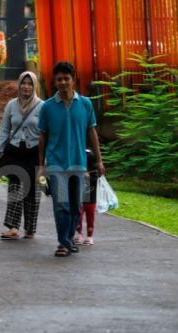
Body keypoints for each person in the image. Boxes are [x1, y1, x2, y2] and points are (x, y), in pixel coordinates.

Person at [38, 61, 106, 257]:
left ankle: (68, 239)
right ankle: (64, 243)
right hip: (56, 164)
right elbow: (42, 137)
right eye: (59, 79)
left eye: (66, 79)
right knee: (61, 205)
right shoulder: (48, 107)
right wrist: (41, 165)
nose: (62, 83)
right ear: (54, 82)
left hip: (79, 164)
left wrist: (99, 161)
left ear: (73, 79)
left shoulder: (85, 104)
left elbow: (91, 132)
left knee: (76, 206)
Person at [0, 71, 44, 240]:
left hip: (34, 152)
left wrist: (47, 157)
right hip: (14, 152)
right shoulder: (11, 105)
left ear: (35, 86)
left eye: (30, 83)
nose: (26, 86)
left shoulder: (42, 106)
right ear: (19, 85)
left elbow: (46, 133)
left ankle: (30, 229)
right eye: (23, 83)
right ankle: (13, 227)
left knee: (33, 190)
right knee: (15, 186)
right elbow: (4, 129)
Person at [74, 149, 98, 246]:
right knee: (78, 217)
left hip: (91, 199)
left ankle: (90, 236)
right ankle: (79, 234)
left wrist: (88, 177)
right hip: (80, 198)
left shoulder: (94, 173)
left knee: (90, 217)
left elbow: (95, 181)